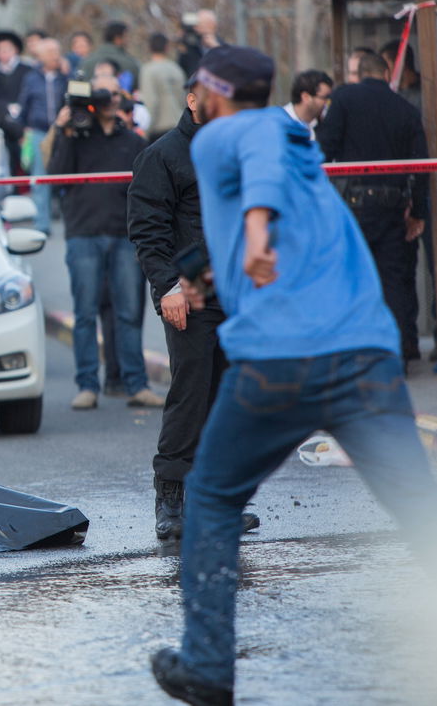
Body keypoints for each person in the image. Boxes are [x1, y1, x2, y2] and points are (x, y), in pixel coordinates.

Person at [149, 46, 437, 706]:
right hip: (364, 349)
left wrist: (252, 233)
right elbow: (271, 179)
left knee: (212, 496)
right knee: (418, 499)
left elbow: (259, 175)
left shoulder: (229, 134)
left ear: (213, 92)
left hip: (281, 356)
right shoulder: (297, 137)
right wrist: (201, 267)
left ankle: (209, 667)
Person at [128, 77, 260, 542]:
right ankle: (170, 502)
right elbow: (148, 231)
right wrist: (168, 288)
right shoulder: (162, 156)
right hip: (189, 289)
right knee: (191, 391)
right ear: (191, 100)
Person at [46, 77, 158, 410]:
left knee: (128, 312)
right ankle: (87, 386)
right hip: (84, 233)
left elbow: (147, 187)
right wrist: (62, 129)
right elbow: (56, 177)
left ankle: (136, 384)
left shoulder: (132, 141)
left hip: (124, 234)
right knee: (84, 313)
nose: (108, 100)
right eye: (102, 95)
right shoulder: (76, 138)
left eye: (114, 94)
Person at [318, 51, 428, 365]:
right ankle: (396, 355)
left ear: (361, 73)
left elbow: (325, 148)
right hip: (395, 208)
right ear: (386, 72)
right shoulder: (406, 108)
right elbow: (422, 164)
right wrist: (418, 212)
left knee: (351, 278)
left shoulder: (344, 98)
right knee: (394, 282)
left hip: (355, 207)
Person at [19, 38, 68, 233]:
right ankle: (42, 223)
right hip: (39, 131)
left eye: (57, 51)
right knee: (40, 177)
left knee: (67, 174)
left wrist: (68, 74)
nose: (55, 56)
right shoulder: (31, 78)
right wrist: (23, 129)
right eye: (50, 53)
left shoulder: (65, 76)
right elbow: (24, 104)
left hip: (64, 131)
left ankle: (69, 220)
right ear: (41, 57)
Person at [140, 33, 187, 140]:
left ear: (149, 48)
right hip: (178, 125)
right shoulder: (177, 69)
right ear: (167, 47)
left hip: (159, 128)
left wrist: (145, 131)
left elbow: (151, 102)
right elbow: (183, 99)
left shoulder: (148, 70)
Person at [81, 21, 142, 93]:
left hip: (90, 104)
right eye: (126, 36)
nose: (128, 40)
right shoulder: (131, 63)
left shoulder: (86, 61)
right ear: (118, 38)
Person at [282, 69, 332, 140]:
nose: (328, 103)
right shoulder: (281, 124)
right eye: (325, 97)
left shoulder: (322, 124)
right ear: (306, 97)